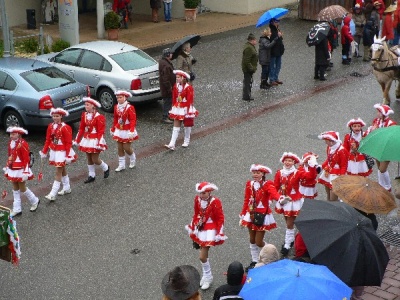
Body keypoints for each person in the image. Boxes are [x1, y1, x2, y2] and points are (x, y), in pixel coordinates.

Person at [239, 164, 283, 270]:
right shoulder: (249, 184)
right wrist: (243, 214)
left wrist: (280, 198)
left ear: (263, 174)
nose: (255, 175)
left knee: (259, 241)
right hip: (251, 214)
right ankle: (254, 260)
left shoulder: (268, 184)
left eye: (258, 173)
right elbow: (246, 200)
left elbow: (274, 194)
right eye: (254, 172)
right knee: (252, 239)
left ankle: (269, 255)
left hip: (263, 216)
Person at [274, 152, 318, 256]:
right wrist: (275, 198)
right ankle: (291, 239)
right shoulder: (279, 173)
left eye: (290, 161)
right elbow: (275, 186)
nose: (287, 162)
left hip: (293, 201)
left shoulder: (297, 173)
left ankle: (287, 244)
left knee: (290, 224)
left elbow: (310, 177)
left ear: (294, 162)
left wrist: (312, 166)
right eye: (286, 160)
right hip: (283, 200)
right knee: (287, 222)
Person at [185, 182, 227, 290]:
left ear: (209, 192)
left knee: (202, 256)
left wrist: (219, 232)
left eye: (203, 193)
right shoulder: (197, 199)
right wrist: (194, 225)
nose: (201, 195)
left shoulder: (215, 202)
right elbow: (196, 213)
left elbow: (220, 218)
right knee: (202, 254)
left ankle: (208, 277)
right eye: (200, 193)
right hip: (200, 227)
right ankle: (206, 275)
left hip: (210, 230)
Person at [40, 108, 77, 201]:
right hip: (55, 150)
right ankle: (67, 187)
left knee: (58, 172)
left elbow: (68, 142)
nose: (55, 118)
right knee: (62, 169)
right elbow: (48, 139)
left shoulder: (66, 127)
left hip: (63, 151)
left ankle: (53, 193)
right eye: (54, 116)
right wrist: (44, 151)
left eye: (57, 116)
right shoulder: (50, 126)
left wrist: (68, 155)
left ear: (61, 116)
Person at [4, 126, 39, 217]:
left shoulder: (23, 143)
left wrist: (25, 172)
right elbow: (10, 155)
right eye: (11, 134)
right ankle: (17, 209)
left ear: (19, 134)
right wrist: (7, 166)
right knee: (15, 188)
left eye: (14, 134)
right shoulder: (10, 143)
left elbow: (26, 159)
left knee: (22, 187)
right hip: (13, 167)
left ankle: (35, 200)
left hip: (21, 168)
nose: (11, 135)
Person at [73, 97, 109, 183]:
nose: (86, 106)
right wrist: (77, 140)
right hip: (87, 139)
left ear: (93, 106)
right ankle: (91, 175)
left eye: (87, 105)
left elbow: (101, 131)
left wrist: (100, 141)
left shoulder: (99, 117)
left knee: (95, 159)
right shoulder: (84, 115)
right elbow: (81, 128)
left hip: (95, 140)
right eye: (85, 105)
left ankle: (106, 168)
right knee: (89, 157)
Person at [366, 104, 397, 191]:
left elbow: (392, 137)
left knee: (382, 169)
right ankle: (381, 185)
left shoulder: (391, 124)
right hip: (378, 146)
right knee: (379, 167)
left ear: (384, 113)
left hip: (387, 148)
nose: (377, 113)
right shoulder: (376, 121)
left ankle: (387, 186)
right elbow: (371, 131)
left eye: (379, 112)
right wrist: (372, 130)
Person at [164, 70, 198, 150]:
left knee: (187, 125)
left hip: (186, 107)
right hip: (178, 107)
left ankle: (186, 140)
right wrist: (174, 105)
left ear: (183, 78)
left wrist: (187, 109)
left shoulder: (188, 87)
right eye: (176, 77)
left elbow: (190, 99)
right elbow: (174, 97)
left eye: (178, 77)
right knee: (176, 125)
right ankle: (172, 143)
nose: (177, 79)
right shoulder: (176, 86)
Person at [110, 90, 139, 172]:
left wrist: (132, 130)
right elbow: (116, 118)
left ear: (125, 98)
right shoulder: (116, 107)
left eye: (120, 97)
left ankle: (132, 159)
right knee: (120, 147)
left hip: (128, 130)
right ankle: (121, 165)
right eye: (117, 98)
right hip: (119, 129)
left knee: (126, 147)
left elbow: (133, 120)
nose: (119, 99)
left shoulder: (130, 107)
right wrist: (113, 128)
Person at [317, 131, 349, 201]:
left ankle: (334, 206)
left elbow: (344, 166)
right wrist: (321, 167)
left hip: (337, 174)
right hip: (328, 172)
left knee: (333, 197)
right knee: (328, 194)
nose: (325, 142)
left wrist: (341, 178)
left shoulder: (342, 151)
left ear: (331, 141)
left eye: (326, 141)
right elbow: (328, 160)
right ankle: (329, 207)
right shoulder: (329, 147)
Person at [159, 48, 175, 124]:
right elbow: (166, 79)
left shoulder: (164, 62)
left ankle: (168, 115)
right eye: (171, 53)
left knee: (168, 102)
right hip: (167, 89)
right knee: (167, 102)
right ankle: (165, 117)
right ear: (168, 55)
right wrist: (169, 89)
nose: (172, 54)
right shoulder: (166, 65)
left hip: (166, 88)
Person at [241, 33, 258, 101]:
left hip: (249, 68)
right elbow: (247, 61)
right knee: (247, 82)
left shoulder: (250, 46)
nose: (256, 41)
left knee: (248, 82)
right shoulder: (249, 48)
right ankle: (246, 96)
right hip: (248, 69)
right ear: (251, 40)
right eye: (255, 40)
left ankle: (247, 95)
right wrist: (252, 68)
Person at [269, 18, 285, 86]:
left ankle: (276, 78)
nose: (278, 23)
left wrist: (280, 36)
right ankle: (272, 80)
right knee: (272, 66)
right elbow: (272, 40)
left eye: (278, 21)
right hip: (273, 51)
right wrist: (278, 36)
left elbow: (280, 39)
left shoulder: (277, 29)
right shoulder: (270, 30)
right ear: (272, 22)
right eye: (276, 21)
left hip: (279, 51)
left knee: (278, 65)